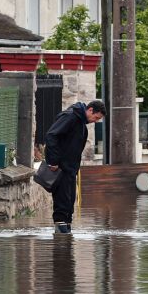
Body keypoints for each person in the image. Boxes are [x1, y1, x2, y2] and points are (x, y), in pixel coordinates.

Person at [45, 99, 106, 234]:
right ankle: (61, 237)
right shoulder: (70, 117)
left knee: (69, 200)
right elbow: (51, 135)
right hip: (61, 168)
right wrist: (53, 161)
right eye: (96, 117)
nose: (95, 121)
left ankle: (66, 238)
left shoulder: (80, 123)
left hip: (70, 169)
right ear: (90, 110)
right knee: (62, 201)